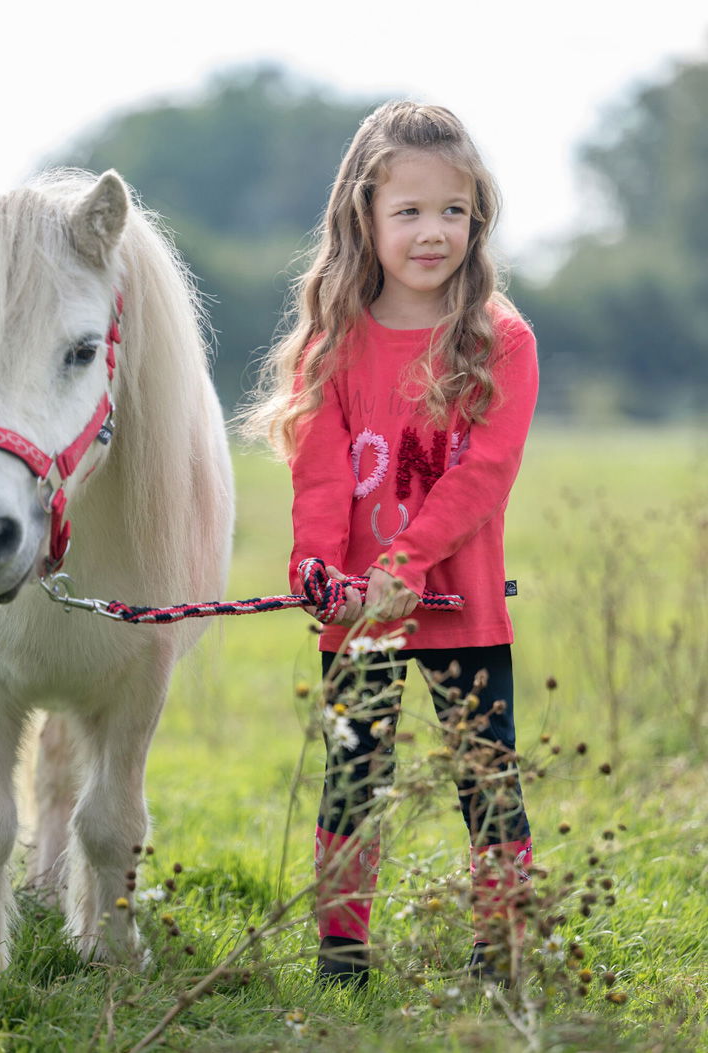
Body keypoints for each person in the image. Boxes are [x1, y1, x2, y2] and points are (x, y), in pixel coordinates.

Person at [240, 100, 538, 988]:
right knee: (353, 777)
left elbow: (482, 476)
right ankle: (342, 954)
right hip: (359, 616)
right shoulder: (331, 346)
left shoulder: (501, 340)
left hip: (462, 608)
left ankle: (505, 947)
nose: (432, 231)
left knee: (486, 780)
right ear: (364, 216)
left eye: (453, 210)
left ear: (476, 218)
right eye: (408, 211)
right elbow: (323, 479)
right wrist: (320, 573)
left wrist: (402, 566)